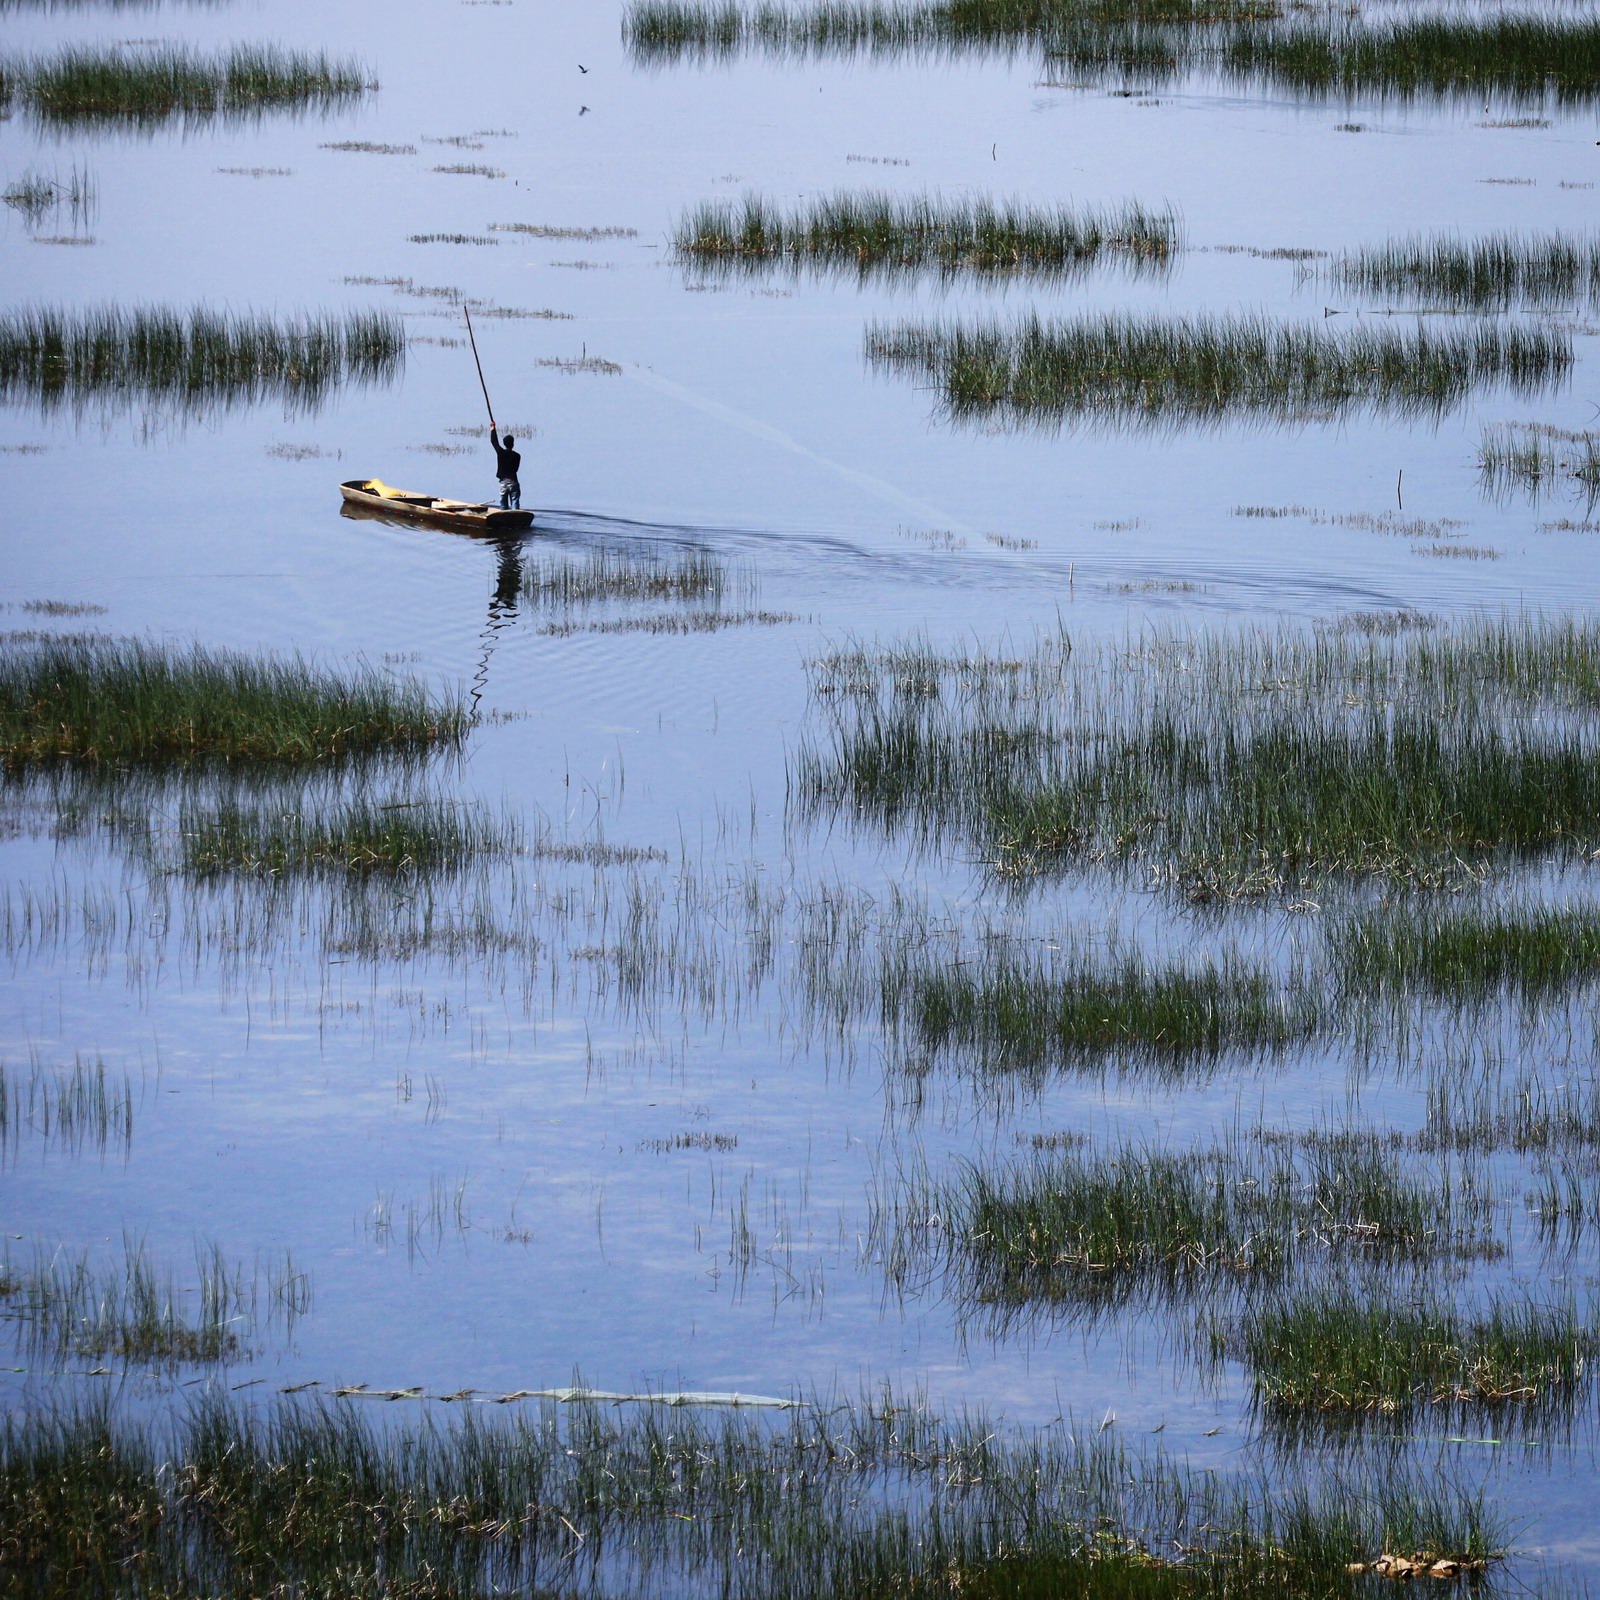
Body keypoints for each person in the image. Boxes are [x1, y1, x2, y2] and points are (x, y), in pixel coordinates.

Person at [489, 421, 522, 510]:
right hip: (513, 482)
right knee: (515, 503)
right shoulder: (517, 456)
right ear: (513, 444)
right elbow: (516, 469)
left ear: (504, 444)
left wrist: (493, 429)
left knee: (503, 506)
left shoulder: (500, 453)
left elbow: (494, 442)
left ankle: (504, 517)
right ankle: (516, 518)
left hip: (503, 483)